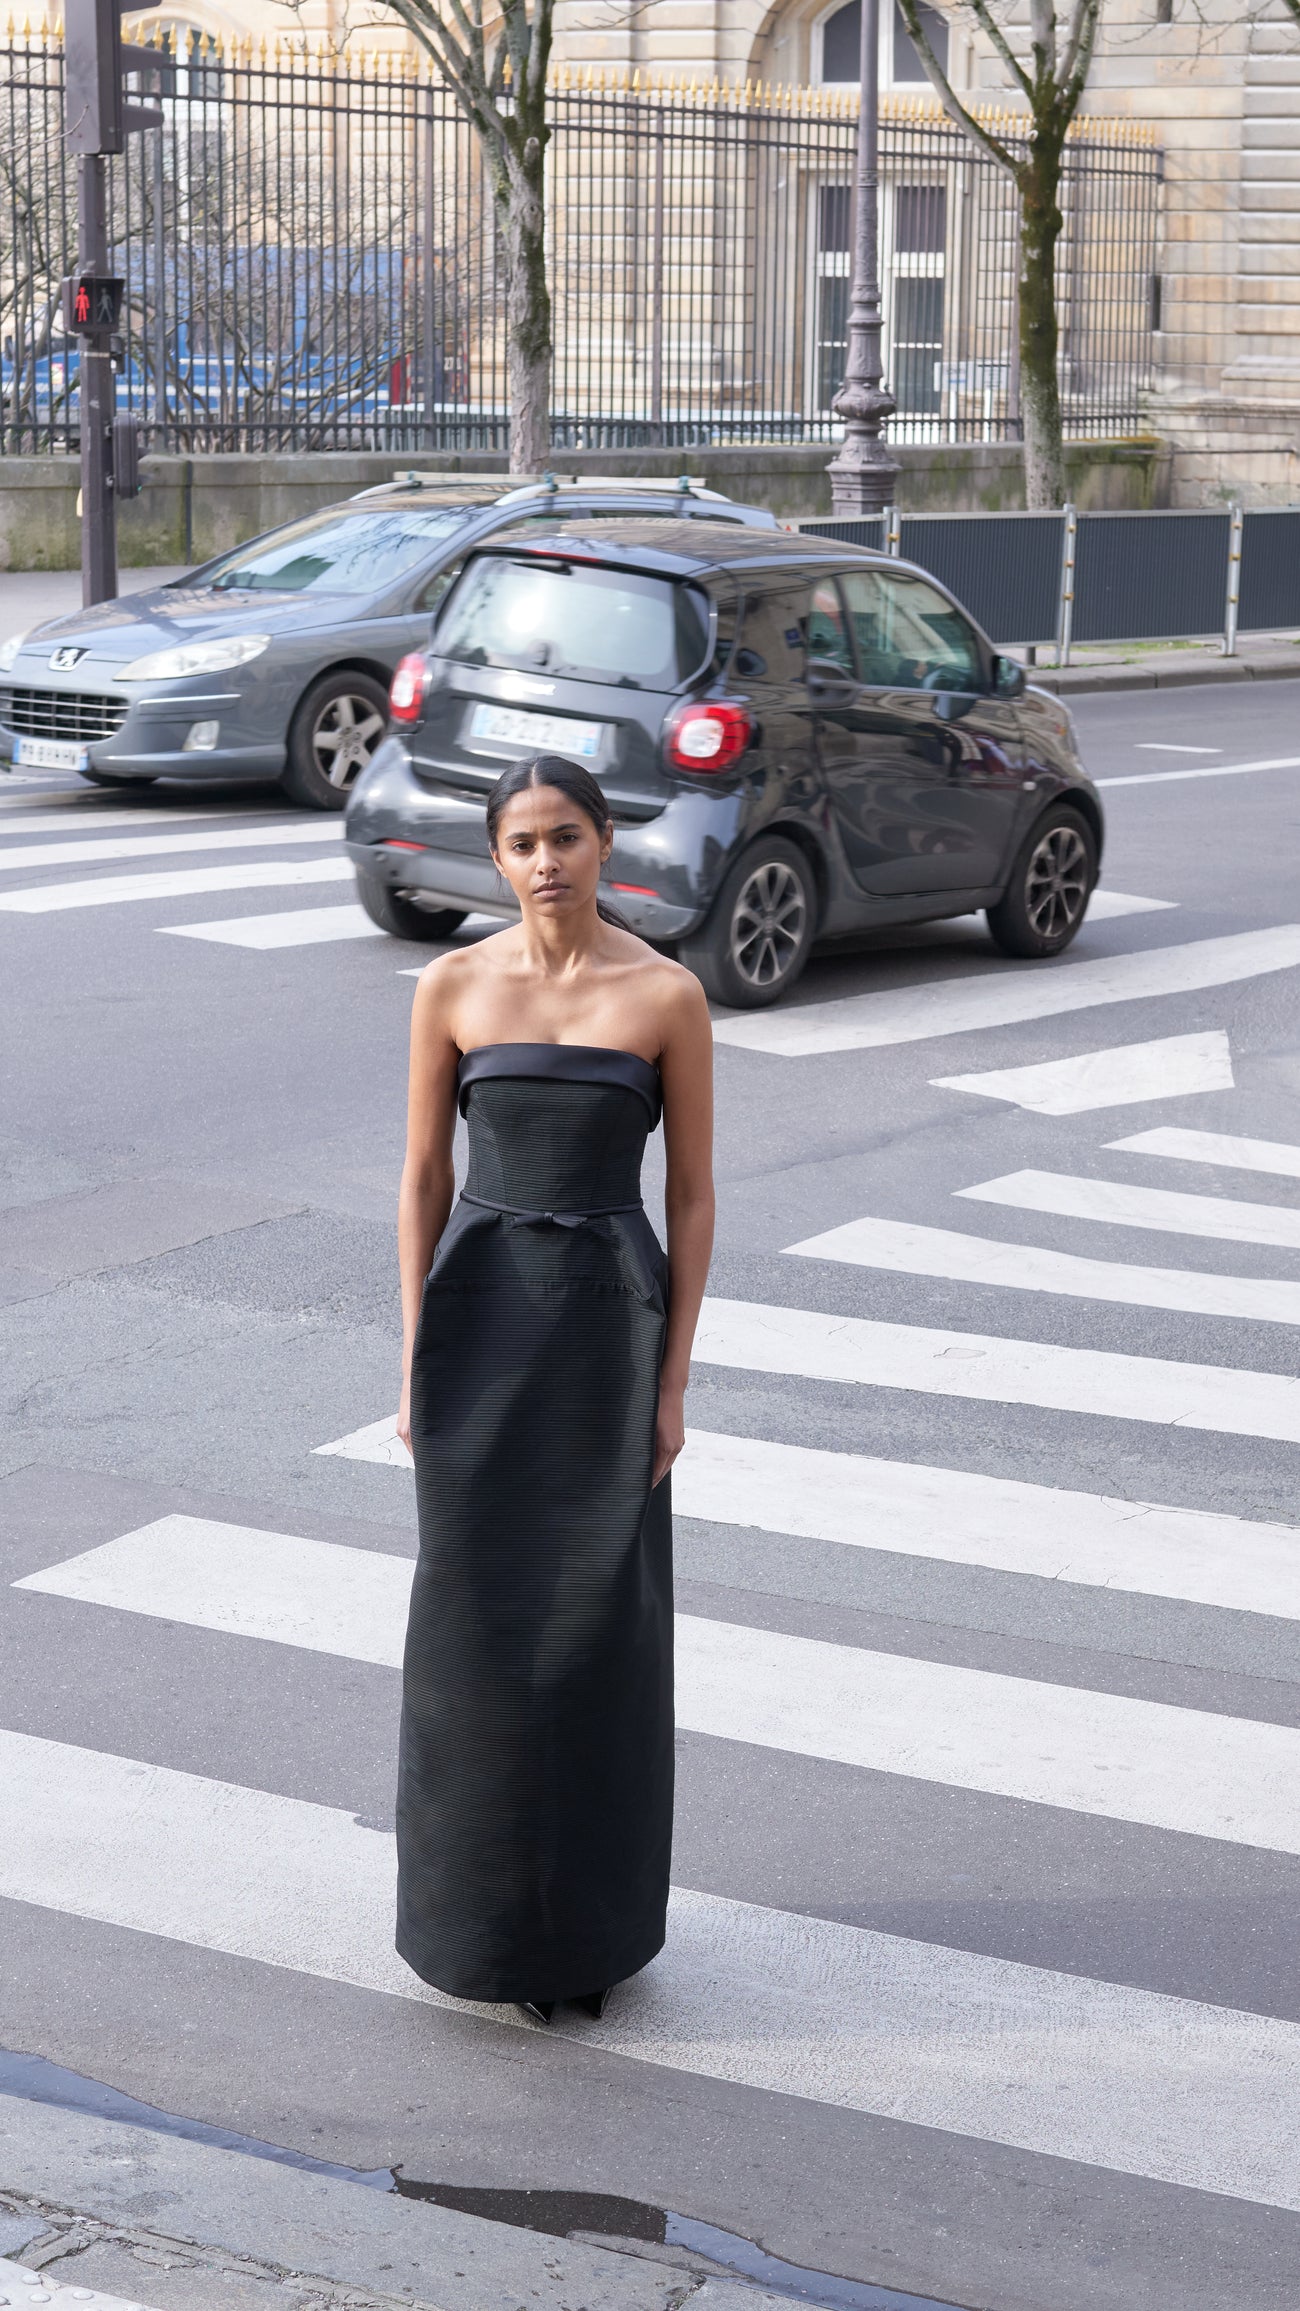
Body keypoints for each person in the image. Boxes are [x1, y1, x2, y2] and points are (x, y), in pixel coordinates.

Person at [394, 753, 715, 2024]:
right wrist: (414, 1351)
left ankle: (584, 1936)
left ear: (602, 843)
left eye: (566, 836)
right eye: (522, 841)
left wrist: (673, 1378)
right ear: (497, 857)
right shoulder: (451, 984)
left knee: (597, 1636)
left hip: (606, 1330)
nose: (545, 862)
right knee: (470, 1632)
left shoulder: (668, 995)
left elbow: (689, 1197)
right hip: (478, 1324)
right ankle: (473, 1935)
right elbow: (422, 1179)